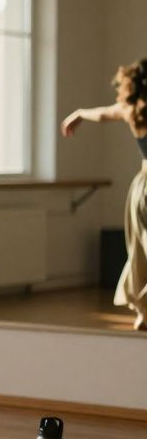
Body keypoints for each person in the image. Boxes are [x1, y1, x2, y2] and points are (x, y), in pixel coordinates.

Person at [61, 58, 147, 331]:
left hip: (142, 188)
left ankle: (143, 311)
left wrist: (78, 114)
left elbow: (103, 113)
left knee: (140, 252)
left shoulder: (131, 110)